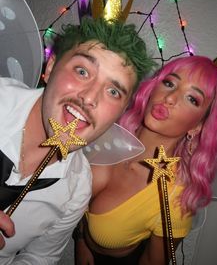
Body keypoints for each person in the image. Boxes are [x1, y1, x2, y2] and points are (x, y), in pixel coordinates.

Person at [0, 16, 155, 264]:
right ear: (50, 68)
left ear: (120, 113)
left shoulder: (77, 190)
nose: (90, 97)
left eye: (113, 91)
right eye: (82, 71)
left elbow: (40, 258)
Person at [74, 55, 217, 265]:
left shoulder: (175, 198)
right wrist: (81, 240)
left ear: (197, 126)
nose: (170, 98)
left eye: (192, 98)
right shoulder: (108, 131)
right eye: (169, 83)